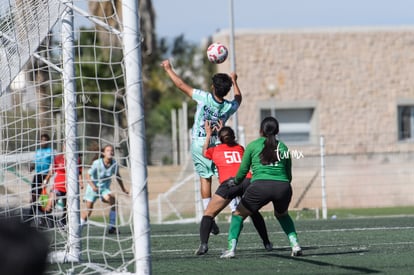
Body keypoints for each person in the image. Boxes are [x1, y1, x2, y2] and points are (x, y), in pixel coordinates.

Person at [161, 59, 242, 234]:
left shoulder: (203, 97)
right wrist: (235, 81)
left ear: (213, 87)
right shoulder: (228, 107)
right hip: (219, 144)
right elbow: (238, 99)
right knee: (227, 178)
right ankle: (235, 208)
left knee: (205, 179)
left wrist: (168, 69)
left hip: (200, 144)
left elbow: (181, 85)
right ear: (226, 90)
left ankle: (208, 214)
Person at [220, 117, 302, 258]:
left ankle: (231, 249)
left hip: (260, 187)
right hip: (283, 187)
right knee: (282, 215)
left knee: (238, 214)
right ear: (277, 131)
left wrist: (236, 181)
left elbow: (243, 171)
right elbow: (288, 175)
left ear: (261, 130)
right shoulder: (283, 147)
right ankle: (295, 244)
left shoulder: (252, 146)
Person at [195, 120, 272, 255]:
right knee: (253, 212)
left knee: (208, 214)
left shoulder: (215, 150)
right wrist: (223, 130)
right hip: (247, 181)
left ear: (219, 139)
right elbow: (230, 143)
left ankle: (203, 245)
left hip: (229, 184)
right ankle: (266, 243)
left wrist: (209, 134)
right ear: (234, 137)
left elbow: (204, 151)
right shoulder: (240, 148)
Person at [81, 144, 129, 234]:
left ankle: (112, 227)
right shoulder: (97, 163)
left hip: (104, 189)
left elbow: (118, 176)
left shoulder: (114, 163)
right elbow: (88, 175)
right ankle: (79, 227)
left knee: (113, 202)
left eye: (111, 150)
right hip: (92, 189)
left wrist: (123, 189)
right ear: (103, 153)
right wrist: (93, 186)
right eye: (108, 150)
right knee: (88, 211)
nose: (110, 152)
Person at [43, 142, 84, 225]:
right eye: (65, 146)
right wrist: (45, 181)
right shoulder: (58, 158)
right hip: (58, 186)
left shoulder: (76, 159)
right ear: (63, 147)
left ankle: (63, 222)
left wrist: (81, 182)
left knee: (67, 208)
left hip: (70, 187)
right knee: (50, 205)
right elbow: (52, 171)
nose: (67, 148)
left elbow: (79, 172)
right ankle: (45, 221)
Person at [30, 134, 53, 215]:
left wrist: (48, 178)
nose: (43, 142)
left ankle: (43, 213)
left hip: (45, 175)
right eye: (42, 140)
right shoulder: (38, 151)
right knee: (33, 197)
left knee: (40, 196)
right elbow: (35, 162)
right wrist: (32, 166)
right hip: (37, 175)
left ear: (48, 141)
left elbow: (53, 165)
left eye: (45, 140)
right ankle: (43, 212)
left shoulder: (50, 151)